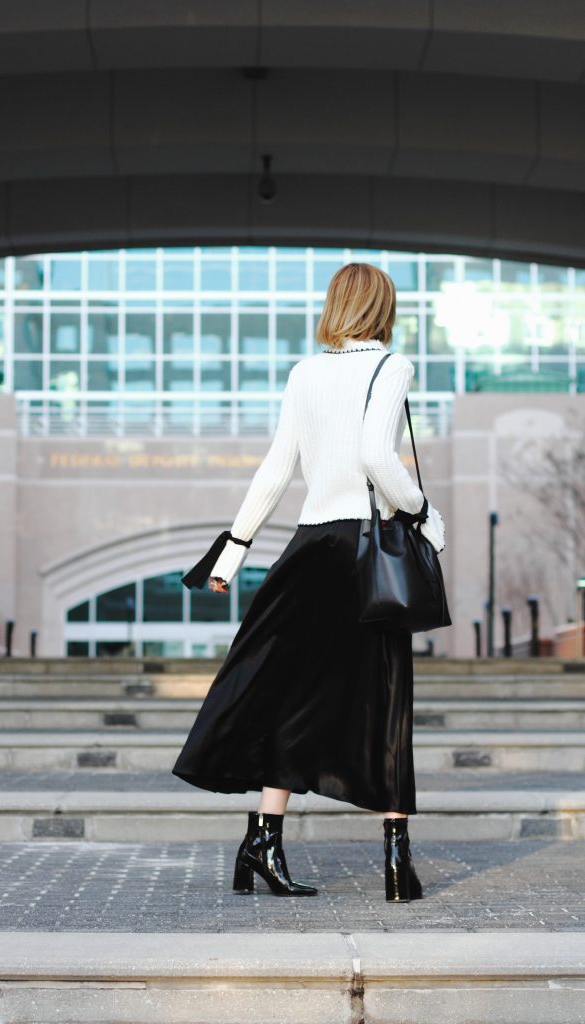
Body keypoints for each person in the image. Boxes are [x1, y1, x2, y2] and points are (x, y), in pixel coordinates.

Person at [172, 263, 446, 902]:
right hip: (364, 549)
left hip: (307, 547)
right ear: (384, 307)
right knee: (385, 695)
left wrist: (232, 552)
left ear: (335, 305)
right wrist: (424, 512)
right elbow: (380, 459)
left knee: (290, 693)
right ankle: (397, 863)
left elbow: (277, 466)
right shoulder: (391, 366)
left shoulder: (305, 373)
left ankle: (263, 842)